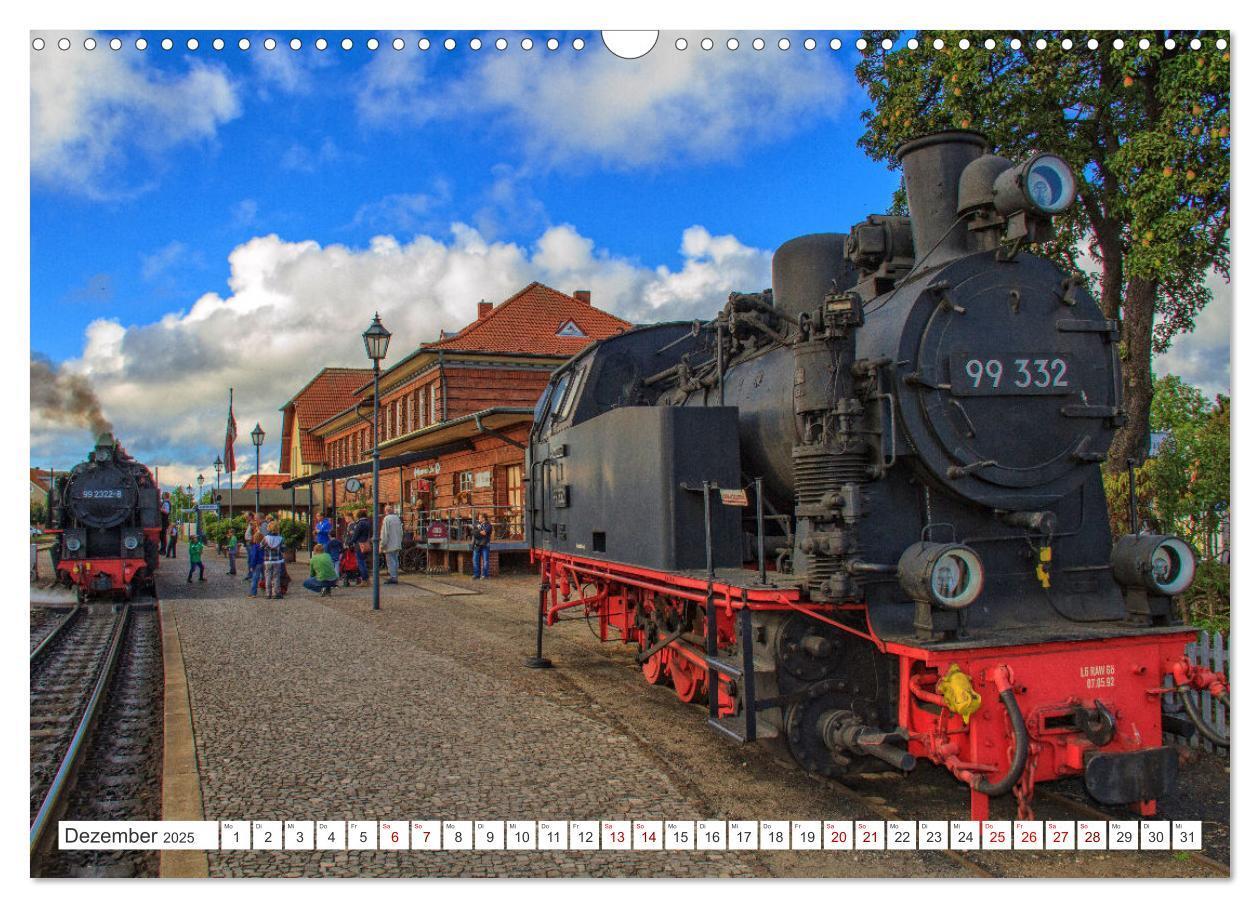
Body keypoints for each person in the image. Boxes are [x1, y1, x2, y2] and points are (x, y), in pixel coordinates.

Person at [381, 505, 404, 584]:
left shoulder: (386, 519)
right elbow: (401, 532)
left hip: (390, 544)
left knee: (390, 561)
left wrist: (382, 544)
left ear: (386, 511)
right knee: (395, 560)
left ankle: (393, 577)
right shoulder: (397, 518)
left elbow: (385, 533)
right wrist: (400, 541)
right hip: (397, 543)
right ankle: (395, 576)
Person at [262, 527, 286, 600]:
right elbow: (283, 549)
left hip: (268, 560)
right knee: (276, 576)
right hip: (277, 560)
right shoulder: (280, 539)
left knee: (268, 576)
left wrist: (268, 548)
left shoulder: (266, 538)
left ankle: (268, 594)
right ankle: (276, 593)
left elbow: (261, 546)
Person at [351, 509, 372, 582]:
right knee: (363, 562)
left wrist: (350, 542)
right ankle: (366, 579)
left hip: (359, 545)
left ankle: (365, 579)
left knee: (361, 562)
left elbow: (355, 535)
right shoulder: (367, 522)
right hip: (366, 543)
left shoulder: (360, 523)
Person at [472, 512, 493, 580]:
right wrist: (479, 531)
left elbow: (484, 533)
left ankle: (485, 575)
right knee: (475, 560)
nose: (478, 519)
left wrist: (477, 531)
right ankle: (476, 574)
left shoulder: (488, 525)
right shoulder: (476, 524)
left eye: (480, 518)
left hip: (485, 545)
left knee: (485, 561)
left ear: (483, 518)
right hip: (477, 544)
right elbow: (473, 532)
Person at [247, 531, 265, 598]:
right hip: (263, 562)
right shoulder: (263, 546)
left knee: (255, 578)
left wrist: (252, 565)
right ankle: (267, 589)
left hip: (257, 563)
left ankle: (253, 593)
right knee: (265, 576)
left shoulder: (255, 546)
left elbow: (254, 557)